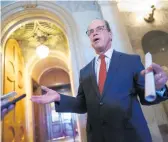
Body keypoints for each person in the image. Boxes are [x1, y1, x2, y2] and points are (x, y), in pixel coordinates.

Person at [31, 19, 168, 142]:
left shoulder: (131, 61)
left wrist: (159, 87)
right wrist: (59, 97)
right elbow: (82, 105)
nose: (94, 33)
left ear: (110, 34)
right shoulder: (84, 71)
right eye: (90, 32)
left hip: (131, 136)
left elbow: (146, 98)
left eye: (99, 29)